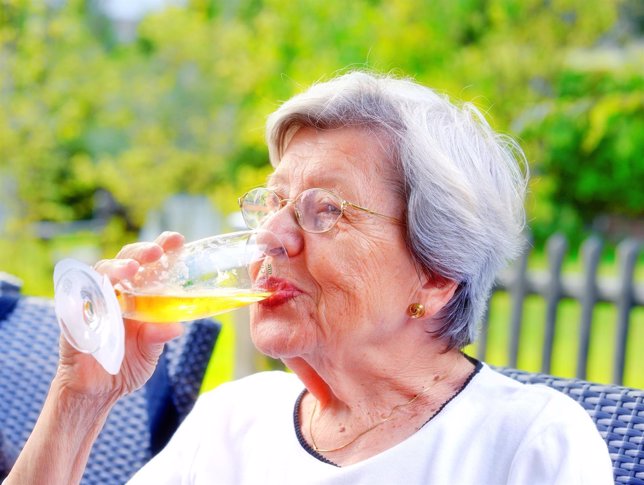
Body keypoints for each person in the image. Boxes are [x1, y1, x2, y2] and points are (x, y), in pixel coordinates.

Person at [4, 71, 612, 485]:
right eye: (273, 203)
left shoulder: (528, 443)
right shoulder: (233, 419)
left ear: (435, 276)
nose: (272, 236)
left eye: (327, 211)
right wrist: (81, 399)